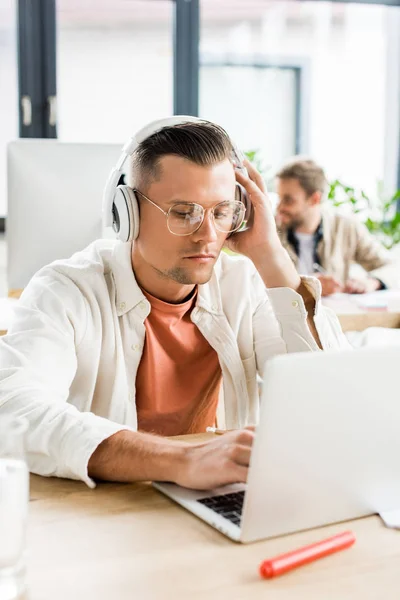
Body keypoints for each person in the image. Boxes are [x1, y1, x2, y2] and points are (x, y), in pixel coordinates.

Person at [0, 117, 348, 492]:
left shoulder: (242, 284)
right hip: (106, 510)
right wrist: (180, 461)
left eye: (221, 212)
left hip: (215, 498)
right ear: (127, 214)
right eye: (184, 213)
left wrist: (271, 258)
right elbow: (15, 408)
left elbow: (333, 396)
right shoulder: (65, 291)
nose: (209, 236)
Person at [275, 158, 398, 296]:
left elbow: (392, 267)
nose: (279, 208)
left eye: (288, 200)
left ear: (315, 199)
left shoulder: (346, 227)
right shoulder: (269, 231)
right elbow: (256, 284)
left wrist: (371, 282)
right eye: (279, 198)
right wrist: (308, 286)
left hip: (336, 315)